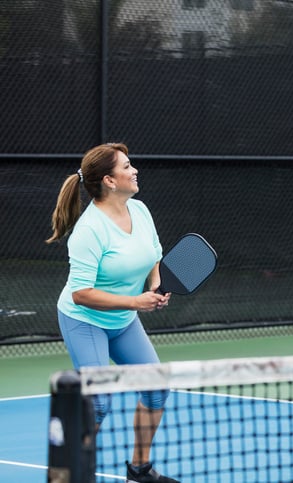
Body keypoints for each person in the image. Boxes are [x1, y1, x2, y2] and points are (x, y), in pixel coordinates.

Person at [46, 143, 179, 483]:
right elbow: (81, 294)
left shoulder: (141, 211)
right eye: (127, 166)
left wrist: (153, 286)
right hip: (84, 320)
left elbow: (153, 255)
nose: (134, 171)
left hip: (122, 321)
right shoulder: (89, 230)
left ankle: (139, 469)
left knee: (156, 387)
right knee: (98, 403)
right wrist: (137, 303)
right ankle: (68, 474)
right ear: (108, 180)